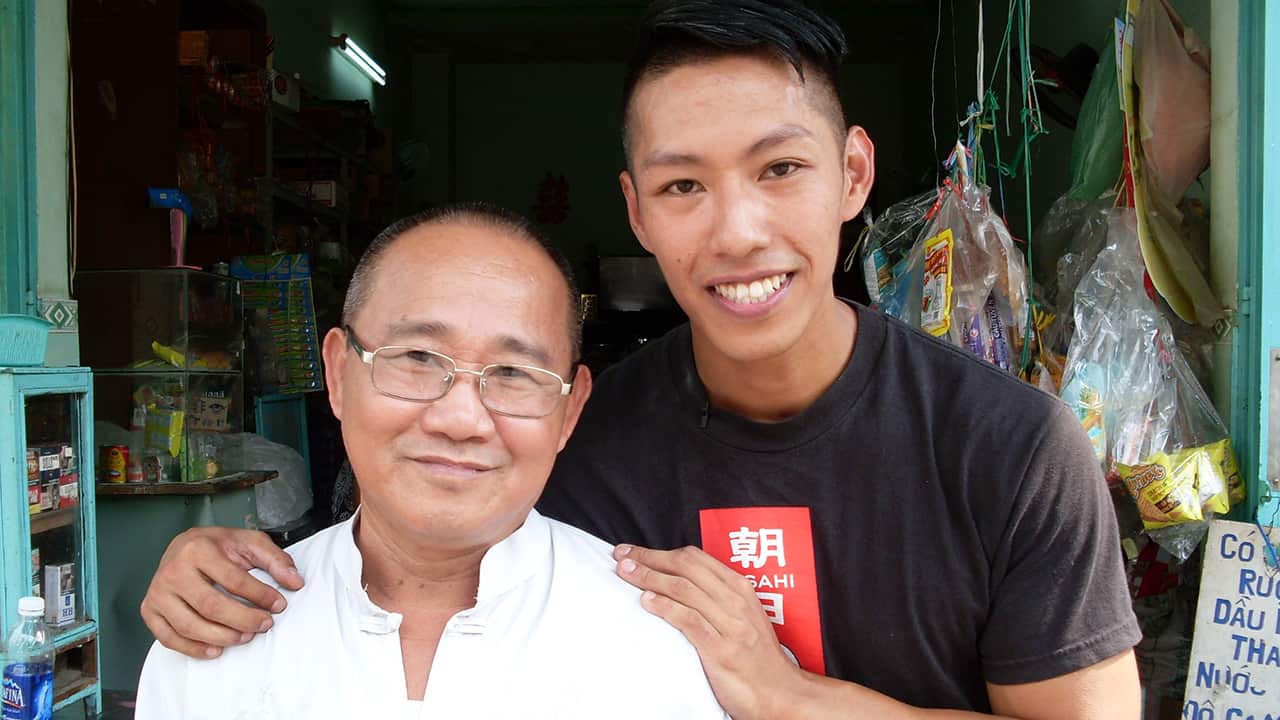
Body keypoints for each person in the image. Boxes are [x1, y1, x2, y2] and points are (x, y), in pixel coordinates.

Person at [140, 1, 1143, 717]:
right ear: (633, 211)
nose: (737, 231)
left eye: (780, 168)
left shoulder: (1009, 450)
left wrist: (789, 696)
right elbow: (411, 538)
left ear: (852, 175)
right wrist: (220, 569)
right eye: (681, 187)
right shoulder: (579, 439)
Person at [134, 204, 728, 719]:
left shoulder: (667, 650)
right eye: (417, 357)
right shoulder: (215, 635)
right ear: (339, 374)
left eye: (516, 373)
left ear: (569, 412)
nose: (461, 419)